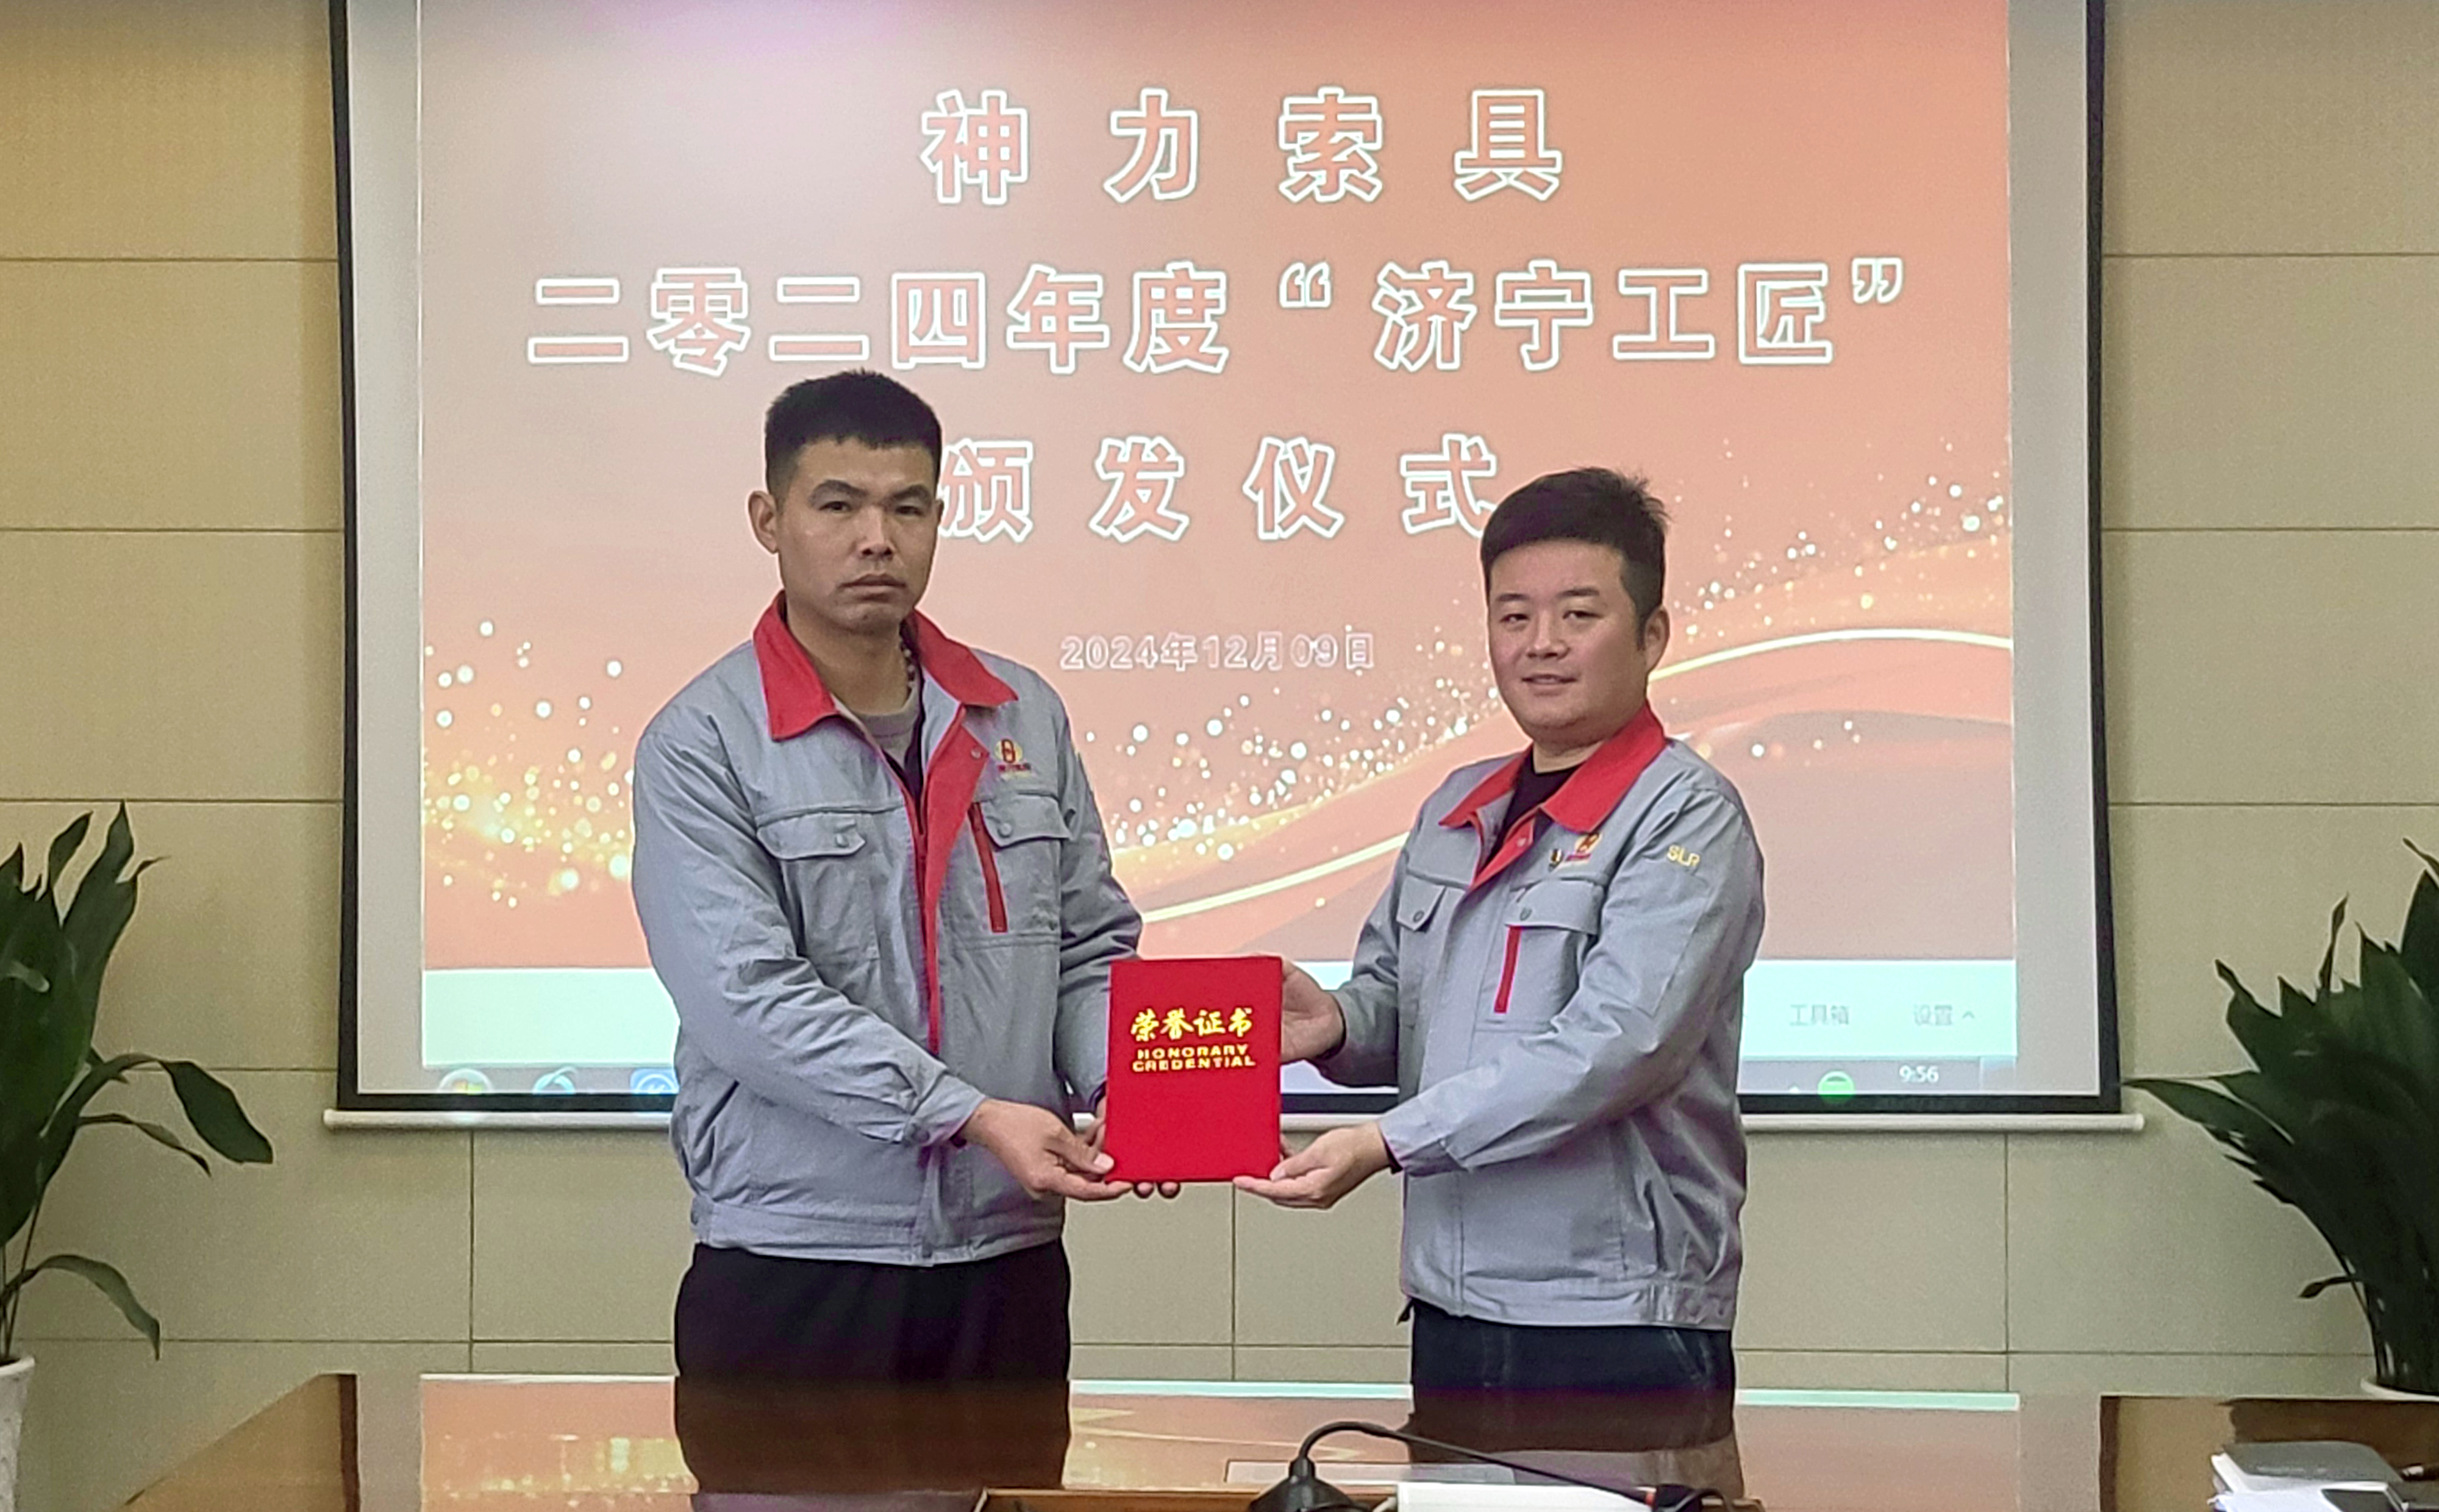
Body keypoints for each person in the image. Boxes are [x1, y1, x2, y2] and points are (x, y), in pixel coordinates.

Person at [632, 370, 1155, 1382]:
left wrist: (1128, 1088)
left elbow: (1090, 950)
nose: (877, 539)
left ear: (940, 519)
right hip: (796, 1259)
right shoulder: (704, 741)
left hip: (1007, 1255)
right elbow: (746, 999)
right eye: (839, 506)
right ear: (769, 520)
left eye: (908, 508)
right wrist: (968, 1113)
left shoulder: (1022, 715)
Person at [1238, 467, 1766, 1393]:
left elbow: (1618, 1045)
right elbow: (1407, 1003)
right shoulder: (1458, 806)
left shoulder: (1686, 816)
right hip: (1450, 1300)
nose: (1541, 645)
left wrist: (1388, 1141)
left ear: (1652, 636)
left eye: (1578, 615)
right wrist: (1339, 1025)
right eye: (1513, 616)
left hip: (1613, 1314)